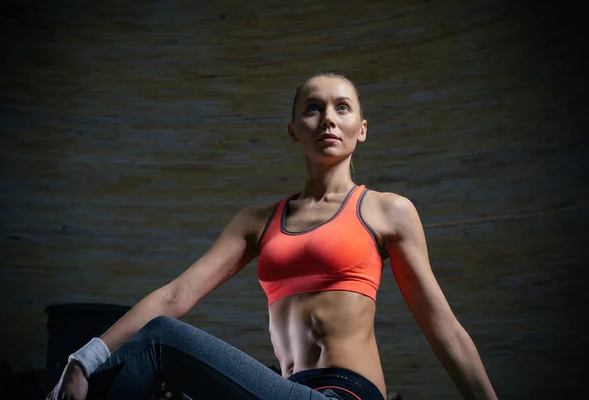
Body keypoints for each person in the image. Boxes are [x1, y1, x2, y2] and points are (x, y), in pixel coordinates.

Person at [47, 73, 498, 400]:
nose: (327, 118)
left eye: (342, 107)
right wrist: (85, 358)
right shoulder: (257, 221)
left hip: (346, 395)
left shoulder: (385, 210)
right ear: (293, 129)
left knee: (162, 340)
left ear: (361, 130)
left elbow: (446, 330)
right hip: (286, 390)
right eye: (313, 108)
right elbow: (176, 294)